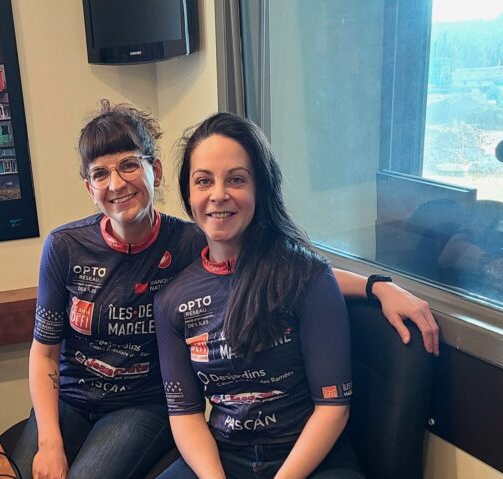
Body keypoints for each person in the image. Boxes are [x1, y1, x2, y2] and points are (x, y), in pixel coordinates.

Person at [12, 101, 438, 479]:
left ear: (155, 170)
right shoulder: (77, 250)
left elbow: (301, 273)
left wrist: (375, 286)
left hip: (151, 409)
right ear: (89, 187)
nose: (116, 183)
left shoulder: (196, 240)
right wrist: (50, 442)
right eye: (100, 173)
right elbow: (45, 351)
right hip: (88, 402)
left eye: (128, 165)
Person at [154, 112, 365, 478]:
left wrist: (378, 285)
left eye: (236, 179)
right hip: (224, 458)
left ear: (260, 188)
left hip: (310, 458)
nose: (218, 195)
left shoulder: (308, 277)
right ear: (189, 194)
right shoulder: (172, 300)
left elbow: (333, 407)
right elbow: (185, 414)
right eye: (204, 181)